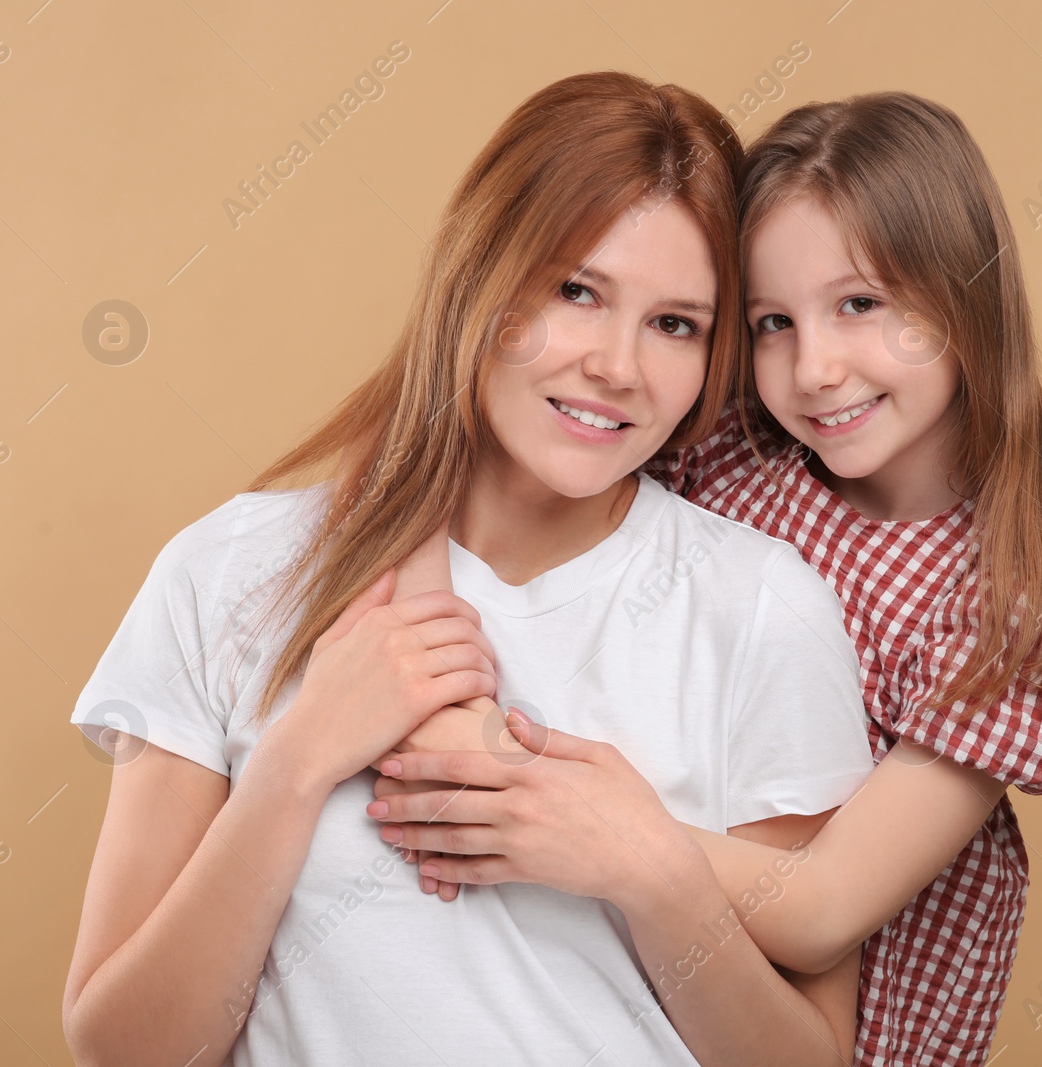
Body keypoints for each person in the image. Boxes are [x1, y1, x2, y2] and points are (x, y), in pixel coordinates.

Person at [60, 71, 876, 1067]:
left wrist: (651, 869)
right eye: (576, 290)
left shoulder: (762, 610)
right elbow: (121, 1046)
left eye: (676, 324)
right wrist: (294, 762)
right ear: (481, 277)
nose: (617, 365)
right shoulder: (227, 571)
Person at [371, 90, 1042, 1065]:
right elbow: (463, 461)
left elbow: (822, 906)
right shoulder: (737, 458)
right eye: (773, 321)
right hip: (634, 1002)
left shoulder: (1018, 606)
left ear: (965, 297)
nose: (815, 366)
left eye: (859, 304)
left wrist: (599, 833)